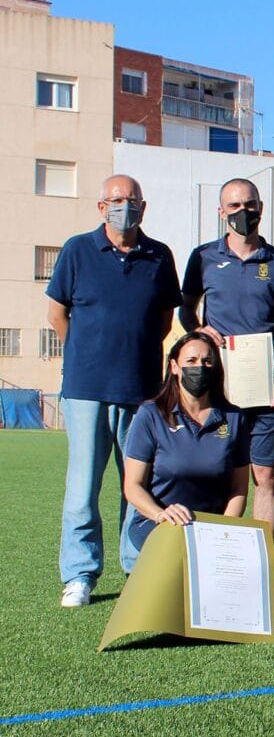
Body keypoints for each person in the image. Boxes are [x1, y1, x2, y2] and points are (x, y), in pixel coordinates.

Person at [46, 174, 182, 607]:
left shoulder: (159, 256)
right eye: (117, 199)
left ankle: (136, 563)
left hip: (142, 391)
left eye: (133, 199)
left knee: (138, 482)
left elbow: (163, 322)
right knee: (83, 484)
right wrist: (90, 356)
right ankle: (80, 574)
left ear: (144, 205)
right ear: (101, 207)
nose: (126, 206)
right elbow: (57, 315)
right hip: (86, 389)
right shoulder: (77, 250)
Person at [179, 178, 274, 540]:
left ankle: (261, 565)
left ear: (261, 208)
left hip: (268, 392)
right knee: (217, 474)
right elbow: (186, 311)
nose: (243, 213)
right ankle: (216, 558)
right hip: (218, 389)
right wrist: (201, 330)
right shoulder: (203, 257)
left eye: (249, 205)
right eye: (234, 207)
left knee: (265, 477)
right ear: (221, 212)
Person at [123, 333, 250, 550]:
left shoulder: (234, 418)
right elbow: (132, 486)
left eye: (207, 361)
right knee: (177, 551)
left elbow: (239, 489)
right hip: (159, 521)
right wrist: (160, 514)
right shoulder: (151, 415)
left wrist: (224, 531)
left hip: (211, 526)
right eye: (191, 361)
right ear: (174, 366)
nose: (200, 367)